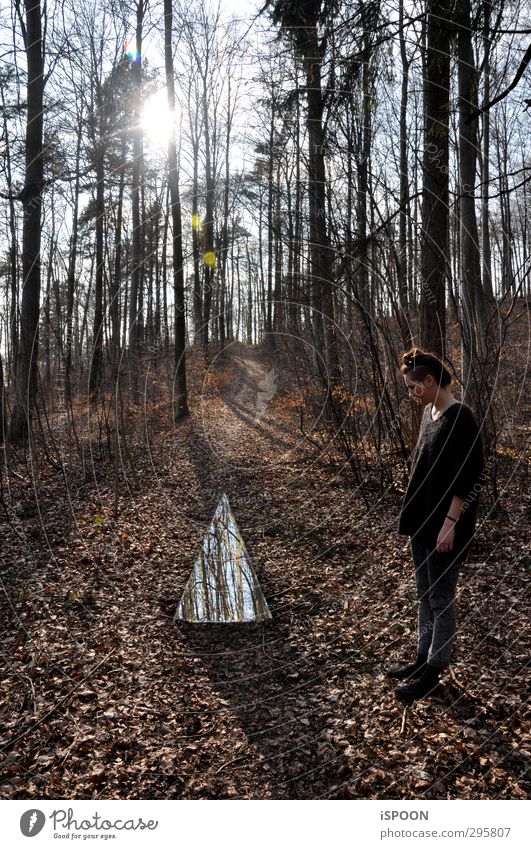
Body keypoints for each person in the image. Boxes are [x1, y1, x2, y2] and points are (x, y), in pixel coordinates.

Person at [389, 347, 485, 703]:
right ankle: (420, 659)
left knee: (442, 599)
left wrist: (450, 524)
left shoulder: (461, 417)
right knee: (425, 596)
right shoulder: (431, 412)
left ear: (429, 381)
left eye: (413, 387)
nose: (411, 394)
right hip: (422, 523)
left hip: (446, 526)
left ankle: (433, 672)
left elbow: (470, 476)